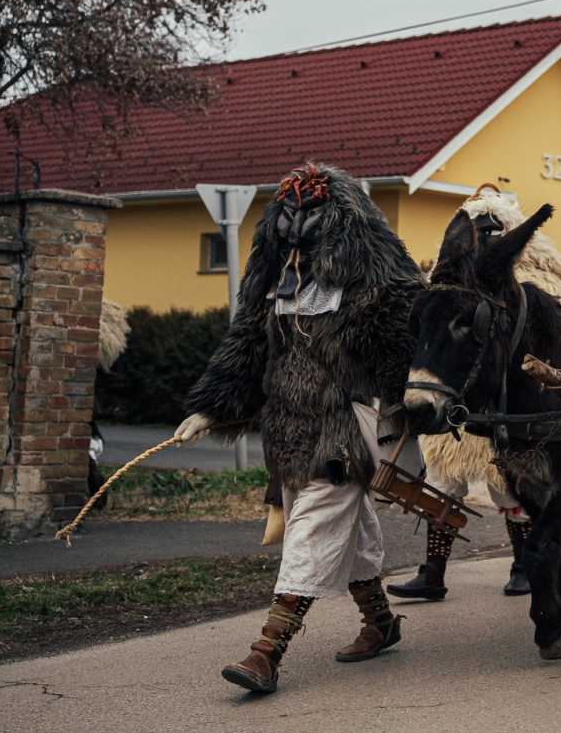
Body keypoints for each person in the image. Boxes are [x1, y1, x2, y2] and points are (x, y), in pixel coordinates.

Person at [178, 163, 421, 695]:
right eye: (288, 216)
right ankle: (380, 623)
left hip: (342, 430)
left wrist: (408, 410)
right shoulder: (274, 281)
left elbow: (403, 343)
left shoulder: (376, 283)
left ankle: (266, 651)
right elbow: (247, 342)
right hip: (287, 431)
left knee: (310, 528)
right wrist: (211, 408)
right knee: (351, 532)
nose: (296, 228)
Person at [387, 186, 561, 603]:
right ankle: (433, 572)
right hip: (453, 395)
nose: (484, 236)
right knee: (441, 482)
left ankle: (523, 564)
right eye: (477, 227)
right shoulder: (452, 280)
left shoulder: (531, 280)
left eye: (492, 228)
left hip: (504, 401)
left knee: (508, 485)